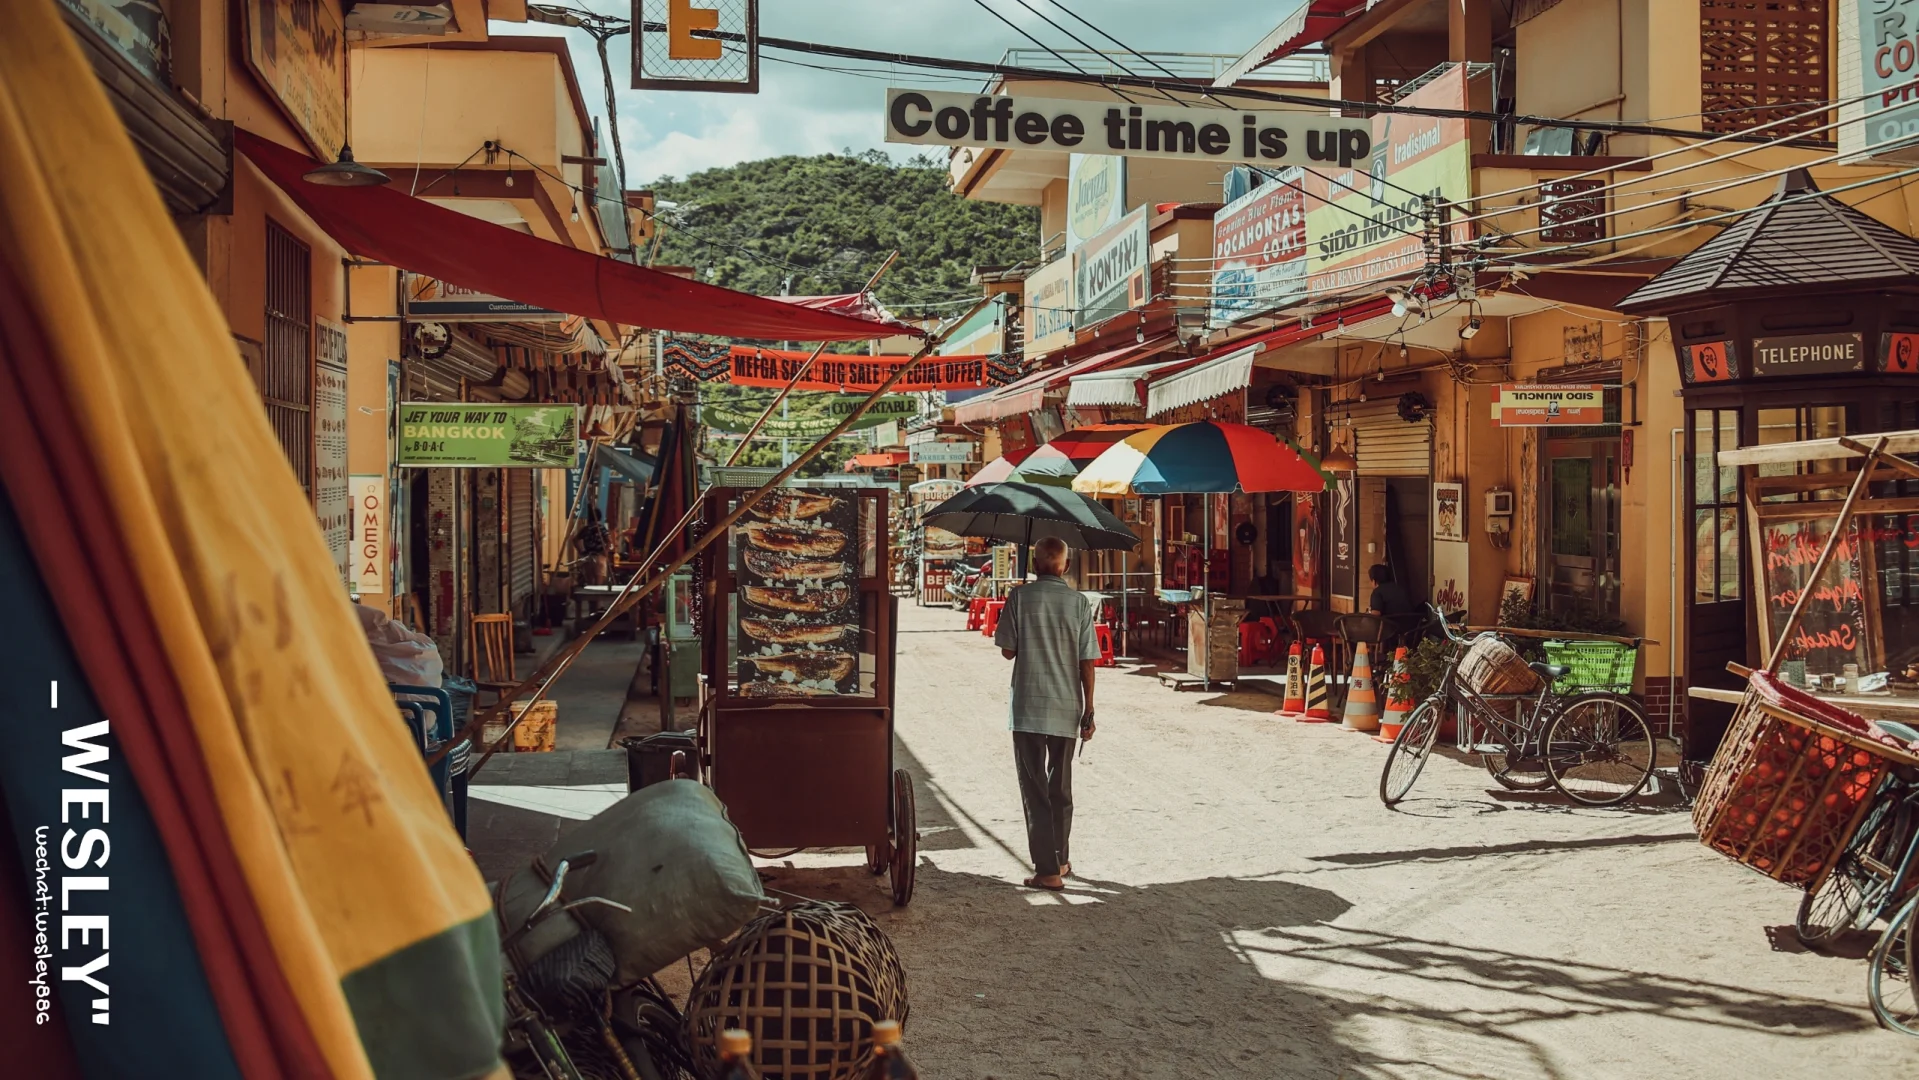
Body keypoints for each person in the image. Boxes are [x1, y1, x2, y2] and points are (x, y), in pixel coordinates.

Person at [994, 536, 1100, 891]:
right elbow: (1087, 662)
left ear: (1034, 564)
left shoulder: (1019, 597)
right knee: (1060, 787)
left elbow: (1008, 651)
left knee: (1035, 789)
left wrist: (1023, 616)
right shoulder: (1079, 603)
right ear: (1065, 566)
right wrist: (1089, 709)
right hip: (1067, 707)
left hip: (1027, 708)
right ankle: (1060, 858)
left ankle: (1047, 870)